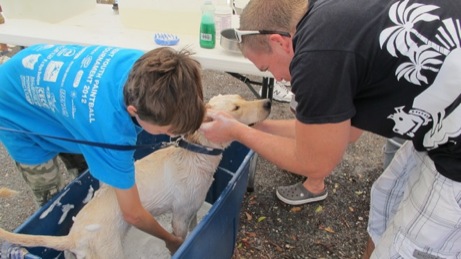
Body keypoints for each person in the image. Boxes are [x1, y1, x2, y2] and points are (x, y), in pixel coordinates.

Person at [200, 0, 461, 257]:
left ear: (279, 42)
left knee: (404, 249)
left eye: (267, 68)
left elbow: (315, 163)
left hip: (454, 150)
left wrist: (236, 131)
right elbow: (345, 131)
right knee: (386, 201)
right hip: (440, 128)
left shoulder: (315, 57)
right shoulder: (326, 18)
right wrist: (261, 126)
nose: (278, 78)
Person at [0, 44, 205, 253]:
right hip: (13, 105)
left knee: (86, 172)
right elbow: (132, 213)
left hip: (53, 88)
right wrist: (169, 239)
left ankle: (86, 231)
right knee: (52, 203)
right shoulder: (111, 134)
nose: (173, 136)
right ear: (134, 111)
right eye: (170, 130)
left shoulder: (153, 71)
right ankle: (61, 247)